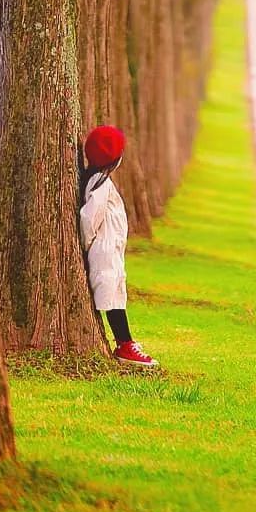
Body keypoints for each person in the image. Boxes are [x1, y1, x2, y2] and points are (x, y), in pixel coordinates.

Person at [80, 125, 158, 368]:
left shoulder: (101, 181)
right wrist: (85, 244)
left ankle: (125, 342)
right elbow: (88, 219)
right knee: (112, 296)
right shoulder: (99, 185)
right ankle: (125, 344)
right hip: (104, 251)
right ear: (115, 160)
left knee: (116, 293)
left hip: (110, 249)